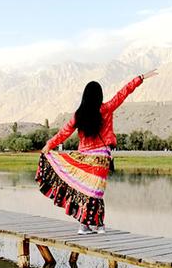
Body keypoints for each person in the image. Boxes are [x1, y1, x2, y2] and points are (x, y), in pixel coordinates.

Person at [36, 70, 158, 234]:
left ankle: (85, 225)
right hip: (101, 159)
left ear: (84, 97)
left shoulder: (78, 115)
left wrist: (49, 146)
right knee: (96, 192)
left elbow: (63, 133)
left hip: (84, 159)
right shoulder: (106, 108)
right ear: (99, 95)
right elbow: (122, 93)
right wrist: (140, 79)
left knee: (84, 191)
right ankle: (98, 225)